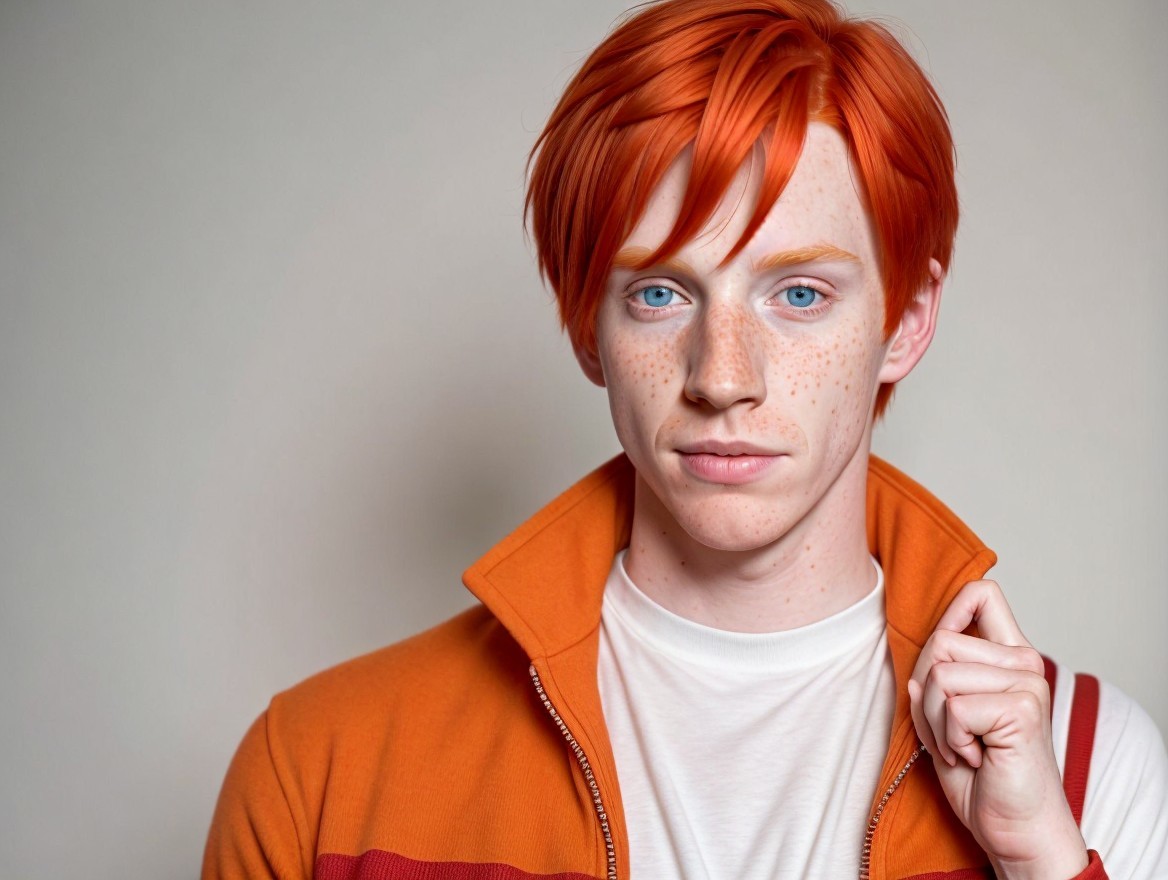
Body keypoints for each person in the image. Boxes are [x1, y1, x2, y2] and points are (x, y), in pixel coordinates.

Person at [203, 1, 1168, 878]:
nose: (723, 377)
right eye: (661, 294)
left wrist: (1041, 863)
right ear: (588, 329)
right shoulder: (320, 767)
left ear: (907, 322)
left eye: (800, 294)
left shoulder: (1085, 764)